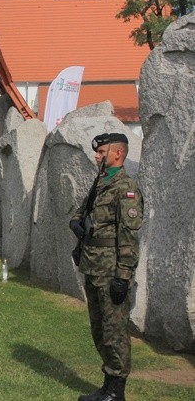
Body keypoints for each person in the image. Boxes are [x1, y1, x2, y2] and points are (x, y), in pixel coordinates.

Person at [69, 133, 143, 401]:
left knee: (115, 332)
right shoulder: (100, 183)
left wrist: (123, 276)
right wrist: (76, 223)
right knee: (99, 329)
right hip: (93, 267)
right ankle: (107, 386)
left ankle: (116, 391)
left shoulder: (126, 189)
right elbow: (82, 211)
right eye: (97, 152)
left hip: (112, 271)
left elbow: (129, 238)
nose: (97, 156)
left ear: (118, 154)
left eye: (101, 151)